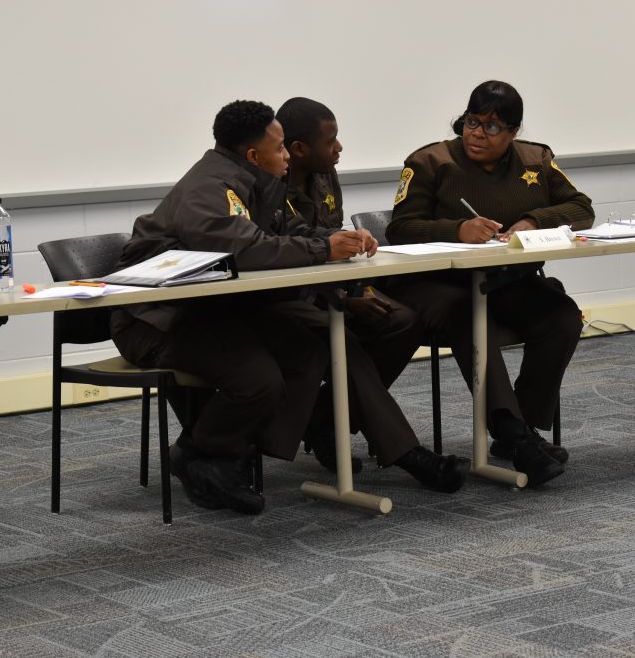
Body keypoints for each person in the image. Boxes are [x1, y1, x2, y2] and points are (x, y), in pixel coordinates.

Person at [111, 100, 468, 514]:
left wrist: (340, 241)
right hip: (155, 318)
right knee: (260, 378)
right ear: (253, 154)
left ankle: (236, 451)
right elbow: (243, 249)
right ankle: (201, 452)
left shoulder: (256, 180)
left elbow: (288, 230)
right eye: (279, 148)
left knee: (313, 350)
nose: (285, 156)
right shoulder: (211, 188)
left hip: (213, 311)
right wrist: (322, 248)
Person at [386, 80, 595, 487]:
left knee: (562, 317)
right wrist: (456, 229)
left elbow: (581, 207)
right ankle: (514, 435)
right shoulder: (429, 162)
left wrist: (535, 220)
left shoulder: (536, 160)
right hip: (440, 285)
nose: (477, 134)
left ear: (515, 132)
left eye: (492, 127)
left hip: (505, 279)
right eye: (471, 122)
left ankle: (525, 424)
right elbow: (400, 229)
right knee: (471, 318)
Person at [275, 97, 423, 470]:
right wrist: (344, 298)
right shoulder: (268, 185)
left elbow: (330, 236)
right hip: (287, 299)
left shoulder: (324, 173)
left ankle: (325, 417)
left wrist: (357, 260)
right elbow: (283, 257)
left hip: (330, 289)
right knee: (343, 337)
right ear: (298, 149)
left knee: (403, 320)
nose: (339, 148)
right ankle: (396, 448)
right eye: (331, 141)